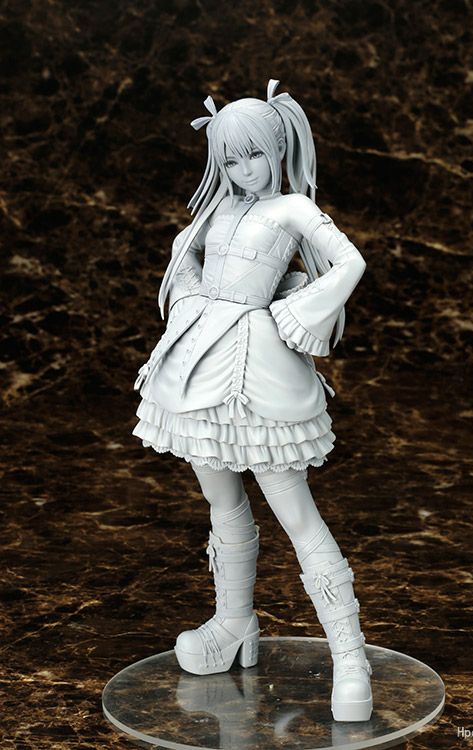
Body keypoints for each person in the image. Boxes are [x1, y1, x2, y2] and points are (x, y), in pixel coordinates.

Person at [133, 79, 372, 722]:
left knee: (295, 512)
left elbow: (349, 263)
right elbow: (183, 258)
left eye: (254, 155)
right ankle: (234, 621)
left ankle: (350, 656)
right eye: (230, 159)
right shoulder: (218, 210)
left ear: (277, 147)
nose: (243, 170)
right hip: (198, 365)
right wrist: (189, 300)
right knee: (221, 499)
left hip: (259, 367)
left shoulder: (292, 209)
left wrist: (296, 314)